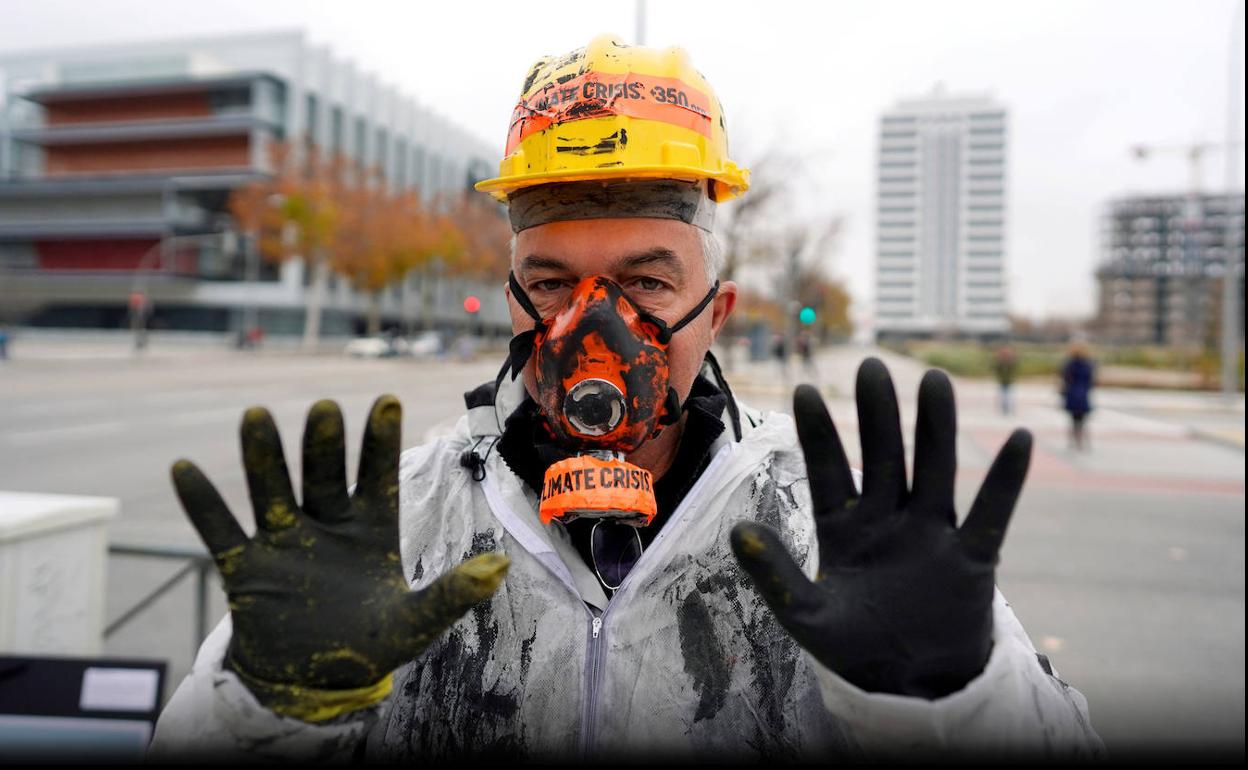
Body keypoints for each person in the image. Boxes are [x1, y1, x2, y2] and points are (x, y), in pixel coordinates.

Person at [149, 36, 1102, 761]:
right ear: (513, 295)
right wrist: (260, 706)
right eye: (554, 282)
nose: (592, 331)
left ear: (716, 310)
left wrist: (955, 699)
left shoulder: (826, 526)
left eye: (646, 282)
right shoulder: (397, 522)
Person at [1061, 340, 1096, 451]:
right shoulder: (1088, 365)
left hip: (1072, 395)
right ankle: (1080, 440)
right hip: (1083, 395)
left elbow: (1065, 378)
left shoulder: (1069, 365)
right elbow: (1091, 381)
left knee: (1073, 420)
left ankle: (1074, 439)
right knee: (1082, 420)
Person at [994, 344, 1019, 415]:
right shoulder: (1000, 363)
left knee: (1009, 396)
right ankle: (1005, 408)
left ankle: (1008, 408)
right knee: (1003, 396)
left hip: (1009, 382)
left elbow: (1014, 366)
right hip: (1003, 382)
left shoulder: (1010, 363)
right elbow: (997, 369)